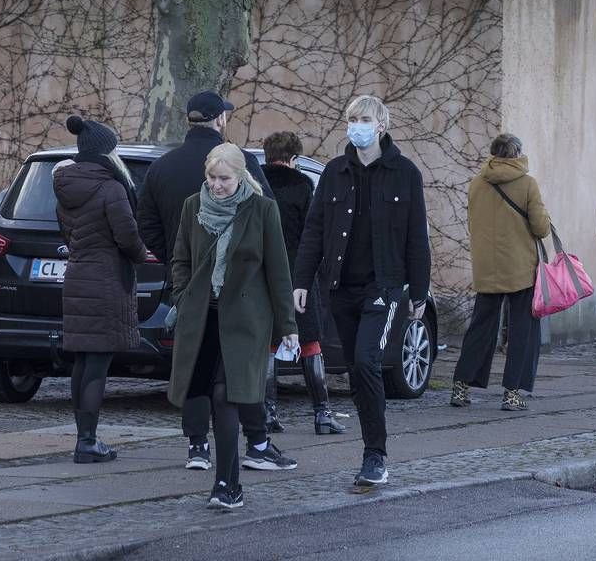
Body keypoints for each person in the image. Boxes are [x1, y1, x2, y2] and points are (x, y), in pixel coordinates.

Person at [293, 95, 431, 490]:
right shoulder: (336, 172)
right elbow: (315, 230)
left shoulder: (405, 173)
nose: (357, 125)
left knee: (368, 362)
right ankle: (372, 445)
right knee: (356, 367)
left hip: (384, 287)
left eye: (365, 118)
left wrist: (418, 293)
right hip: (340, 287)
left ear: (381, 125)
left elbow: (416, 237)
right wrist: (301, 280)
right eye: (352, 118)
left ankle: (376, 455)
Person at [142, 91, 273, 469]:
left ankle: (197, 445)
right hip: (238, 288)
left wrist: (177, 265)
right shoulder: (239, 161)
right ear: (219, 120)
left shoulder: (161, 166)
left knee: (195, 364)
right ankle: (257, 443)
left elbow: (145, 224)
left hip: (186, 285)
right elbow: (268, 217)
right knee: (236, 370)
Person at [169, 144, 299, 511]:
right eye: (211, 177)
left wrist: (287, 324)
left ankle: (227, 484)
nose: (217, 186)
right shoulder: (193, 206)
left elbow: (278, 271)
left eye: (224, 179)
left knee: (227, 396)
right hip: (202, 319)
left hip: (246, 322)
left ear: (241, 176)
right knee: (206, 396)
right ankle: (225, 477)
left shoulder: (262, 209)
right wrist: (183, 297)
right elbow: (180, 258)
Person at [55, 116, 150, 463]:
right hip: (107, 280)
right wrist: (142, 254)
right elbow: (126, 235)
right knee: (98, 362)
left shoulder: (64, 185)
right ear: (108, 152)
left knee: (83, 359)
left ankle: (83, 436)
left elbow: (68, 234)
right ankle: (88, 441)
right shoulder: (111, 188)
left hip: (78, 275)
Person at [453, 134, 551, 411]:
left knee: (480, 328)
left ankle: (461, 387)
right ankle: (512, 393)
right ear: (517, 152)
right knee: (523, 331)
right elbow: (541, 228)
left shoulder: (476, 183)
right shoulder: (527, 183)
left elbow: (473, 224)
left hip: (486, 266)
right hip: (520, 267)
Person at [260, 131, 344, 435]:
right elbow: (315, 234)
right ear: (294, 158)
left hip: (263, 271)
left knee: (269, 343)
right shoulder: (302, 186)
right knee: (309, 343)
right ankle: (322, 414)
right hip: (298, 274)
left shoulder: (256, 184)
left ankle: (267, 413)